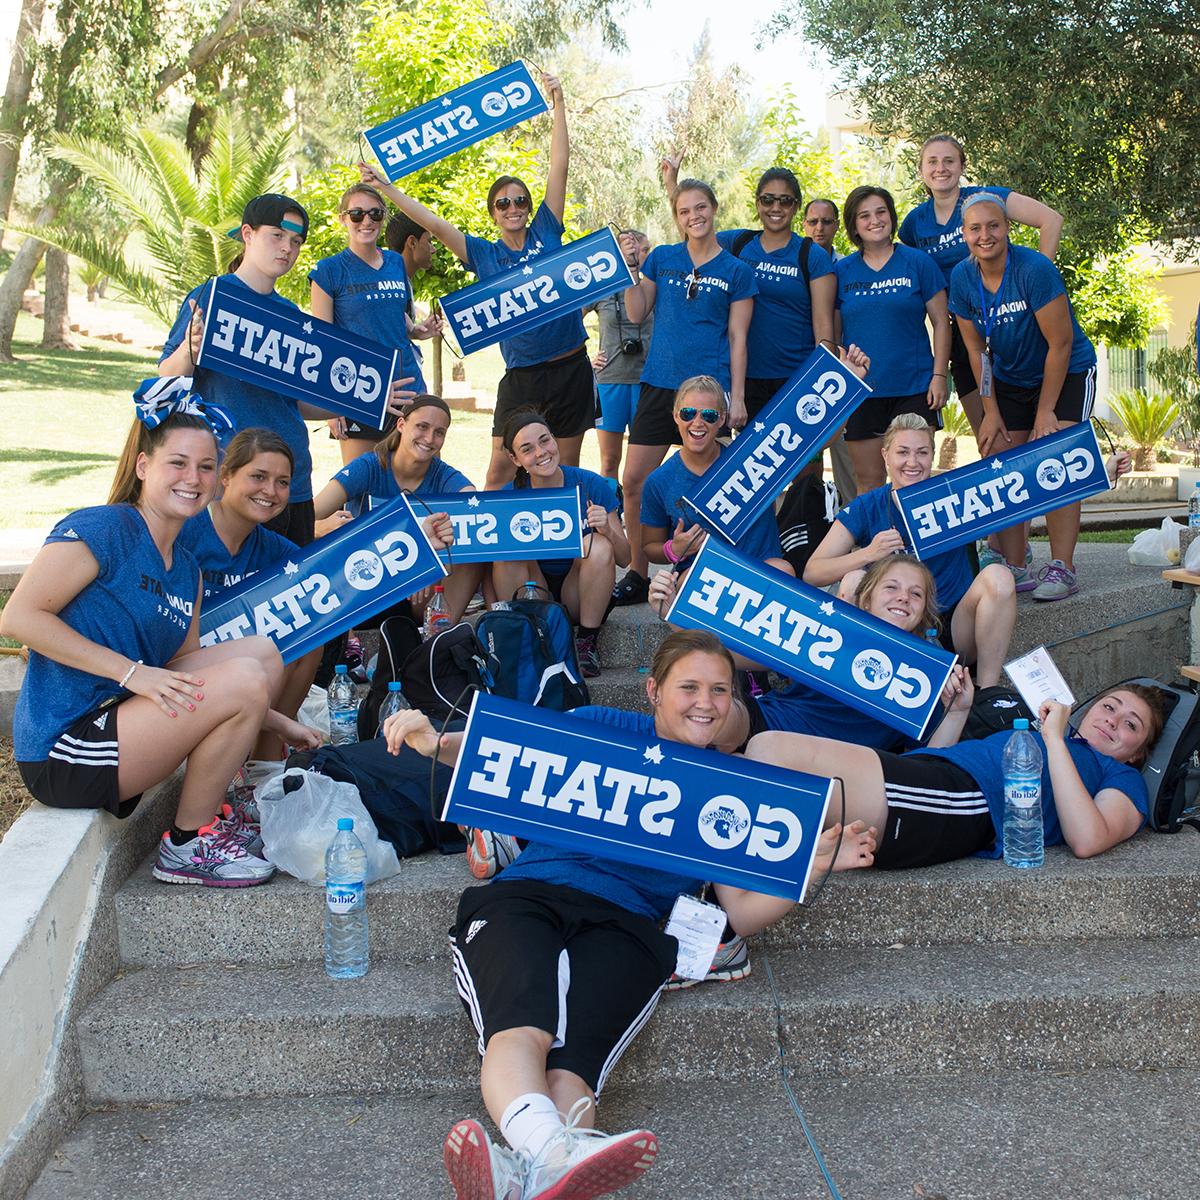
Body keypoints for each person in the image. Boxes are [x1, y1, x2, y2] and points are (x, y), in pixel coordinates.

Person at [382, 630, 877, 1200]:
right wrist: (432, 742)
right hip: (530, 895)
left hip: (633, 923)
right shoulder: (601, 724)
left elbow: (738, 914)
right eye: (688, 686)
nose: (705, 702)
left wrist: (806, 874)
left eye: (720, 690)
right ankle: (551, 1150)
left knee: (576, 1066)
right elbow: (502, 746)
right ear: (653, 690)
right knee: (522, 1027)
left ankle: (529, 1172)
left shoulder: (733, 789)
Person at [2, 397, 321, 888]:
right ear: (144, 465)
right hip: (66, 749)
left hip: (124, 722)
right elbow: (19, 617)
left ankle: (218, 809)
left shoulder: (185, 568)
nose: (192, 478)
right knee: (241, 674)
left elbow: (183, 664)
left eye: (205, 466)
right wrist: (131, 672)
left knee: (258, 652)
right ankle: (188, 844)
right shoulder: (104, 528)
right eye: (178, 463)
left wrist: (276, 719)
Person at [359, 74, 594, 491]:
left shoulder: (546, 231)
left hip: (570, 368)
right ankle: (495, 555)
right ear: (493, 214)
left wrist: (558, 102)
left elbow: (560, 166)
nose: (513, 207)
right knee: (498, 473)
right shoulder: (483, 254)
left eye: (520, 200)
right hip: (521, 375)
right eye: (503, 203)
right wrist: (385, 187)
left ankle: (563, 557)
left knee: (560, 471)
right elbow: (431, 221)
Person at [159, 194, 405, 547]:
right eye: (277, 235)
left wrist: (366, 400)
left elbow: (298, 405)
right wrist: (189, 351)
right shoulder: (212, 297)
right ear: (247, 234)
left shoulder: (291, 315)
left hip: (294, 480)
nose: (287, 248)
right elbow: (164, 382)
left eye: (296, 241)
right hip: (235, 482)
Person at [746, 683, 1164, 870]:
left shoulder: (1121, 778)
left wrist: (1054, 741)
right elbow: (943, 758)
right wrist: (961, 711)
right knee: (767, 748)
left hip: (963, 803)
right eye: (1111, 706)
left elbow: (1088, 839)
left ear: (1137, 753)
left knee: (772, 756)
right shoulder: (1051, 736)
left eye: (1131, 725)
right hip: (933, 776)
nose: (1113, 721)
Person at [650, 552, 973, 755]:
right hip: (768, 721)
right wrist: (671, 616)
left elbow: (931, 763)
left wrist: (956, 710)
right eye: (891, 587)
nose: (903, 598)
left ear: (925, 610)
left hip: (828, 763)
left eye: (915, 594)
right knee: (713, 713)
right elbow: (733, 657)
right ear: (866, 599)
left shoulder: (928, 671)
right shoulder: (836, 633)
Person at [613, 180, 757, 605]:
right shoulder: (662, 258)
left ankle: (725, 567)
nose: (693, 216)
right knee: (633, 479)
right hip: (660, 386)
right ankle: (639, 572)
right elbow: (637, 312)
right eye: (684, 211)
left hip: (710, 395)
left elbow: (738, 338)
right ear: (676, 218)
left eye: (700, 208)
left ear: (714, 209)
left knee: (723, 488)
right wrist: (631, 269)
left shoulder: (736, 270)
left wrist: (739, 397)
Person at [949, 192, 1099, 600]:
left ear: (1008, 229)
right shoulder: (962, 278)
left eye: (993, 226)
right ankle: (1014, 565)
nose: (985, 235)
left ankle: (1062, 567)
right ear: (964, 235)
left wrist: (1046, 413)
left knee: (1056, 457)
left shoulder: (1034, 269)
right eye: (975, 228)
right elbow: (977, 353)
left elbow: (1061, 343)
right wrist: (990, 411)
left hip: (1065, 372)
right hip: (1010, 379)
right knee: (1001, 460)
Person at [804, 414, 1017, 688]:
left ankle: (987, 692)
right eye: (902, 452)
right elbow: (813, 572)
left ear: (932, 455)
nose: (912, 463)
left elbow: (1018, 488)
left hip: (950, 623)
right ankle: (854, 683)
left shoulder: (956, 493)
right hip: (890, 622)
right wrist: (868, 553)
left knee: (999, 577)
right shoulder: (869, 505)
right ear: (885, 456)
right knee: (854, 580)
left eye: (922, 453)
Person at [175, 426, 324, 764]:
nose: (270, 491)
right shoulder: (186, 530)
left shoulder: (275, 550)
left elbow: (336, 574)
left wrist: (421, 541)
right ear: (226, 476)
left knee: (309, 633)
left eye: (282, 482)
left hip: (245, 671)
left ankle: (265, 758)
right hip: (176, 665)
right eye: (258, 476)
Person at [898, 134, 1064, 434]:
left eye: (949, 160)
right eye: (932, 162)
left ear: (962, 165)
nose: (941, 168)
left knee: (1037, 433)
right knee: (991, 441)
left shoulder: (987, 199)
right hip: (963, 331)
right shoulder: (913, 224)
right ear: (921, 170)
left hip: (1010, 325)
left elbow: (1051, 219)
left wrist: (1040, 278)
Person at [662, 158, 837, 426]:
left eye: (785, 201)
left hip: (795, 377)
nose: (775, 207)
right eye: (768, 200)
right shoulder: (738, 243)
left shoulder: (811, 255)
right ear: (757, 204)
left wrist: (819, 385)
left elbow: (824, 327)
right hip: (745, 379)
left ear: (796, 207)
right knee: (750, 465)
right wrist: (672, 185)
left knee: (803, 466)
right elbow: (694, 232)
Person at [313, 394, 482, 622]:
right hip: (362, 579)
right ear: (401, 425)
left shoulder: (442, 474)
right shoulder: (370, 466)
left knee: (474, 556)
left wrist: (424, 561)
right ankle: (349, 642)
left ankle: (437, 638)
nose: (429, 438)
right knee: (327, 542)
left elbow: (480, 512)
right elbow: (309, 513)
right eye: (422, 426)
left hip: (415, 591)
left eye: (439, 432)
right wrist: (320, 527)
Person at [493, 409, 630, 677]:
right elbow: (492, 567)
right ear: (515, 458)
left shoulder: (589, 483)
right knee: (508, 553)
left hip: (578, 591)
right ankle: (526, 637)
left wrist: (607, 530)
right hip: (533, 586)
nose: (541, 452)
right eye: (527, 448)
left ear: (555, 440)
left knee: (598, 544)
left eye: (545, 440)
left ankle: (587, 641)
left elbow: (625, 558)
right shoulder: (508, 496)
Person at [834, 186, 951, 493]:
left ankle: (917, 543)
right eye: (864, 215)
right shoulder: (841, 272)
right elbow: (833, 339)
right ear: (854, 224)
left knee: (914, 480)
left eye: (881, 212)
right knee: (869, 483)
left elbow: (941, 323)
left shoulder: (918, 262)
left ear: (891, 216)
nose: (874, 220)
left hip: (914, 389)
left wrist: (939, 376)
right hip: (862, 393)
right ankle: (873, 543)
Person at [309, 182, 433, 465]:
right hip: (359, 389)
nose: (367, 221)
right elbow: (322, 340)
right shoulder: (328, 271)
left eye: (375, 214)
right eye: (357, 214)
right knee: (363, 487)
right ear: (343, 219)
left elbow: (394, 315)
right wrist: (332, 405)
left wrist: (416, 330)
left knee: (415, 481)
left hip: (409, 386)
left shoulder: (395, 262)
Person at [638, 375, 793, 581]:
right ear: (676, 415)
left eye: (709, 415)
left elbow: (820, 437)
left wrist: (849, 381)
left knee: (783, 571)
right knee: (685, 582)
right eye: (688, 413)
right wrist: (674, 549)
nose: (697, 422)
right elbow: (649, 547)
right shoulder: (659, 481)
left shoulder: (753, 457)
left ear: (721, 419)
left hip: (761, 567)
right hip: (704, 576)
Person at [587, 229, 654, 495]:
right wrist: (584, 360)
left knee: (643, 464)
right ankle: (613, 515)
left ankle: (642, 518)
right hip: (609, 381)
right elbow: (568, 322)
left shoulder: (654, 285)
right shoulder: (603, 288)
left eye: (645, 248)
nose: (639, 253)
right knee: (609, 460)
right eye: (633, 249)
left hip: (646, 381)